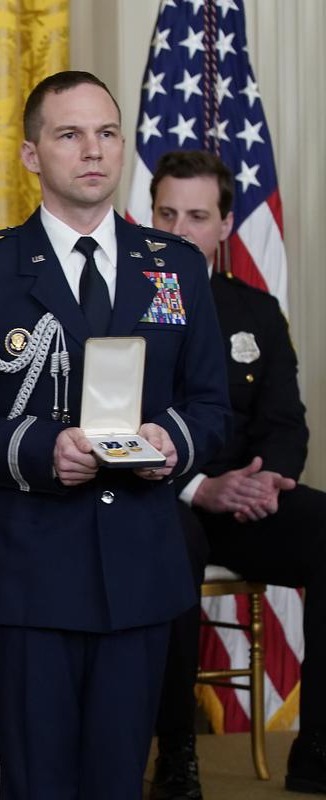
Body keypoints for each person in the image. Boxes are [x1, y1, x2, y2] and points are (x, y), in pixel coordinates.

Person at [0, 71, 231, 798]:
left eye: (107, 133)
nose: (93, 151)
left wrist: (172, 442)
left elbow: (213, 405)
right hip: (29, 566)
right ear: (32, 155)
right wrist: (40, 449)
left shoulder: (176, 267)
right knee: (38, 784)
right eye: (69, 135)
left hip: (140, 568)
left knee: (117, 781)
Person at [148, 148, 326, 797]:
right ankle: (177, 752)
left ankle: (317, 749)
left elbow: (286, 420)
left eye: (196, 216)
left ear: (225, 226)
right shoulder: (117, 304)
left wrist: (270, 479)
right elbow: (114, 427)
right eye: (166, 213)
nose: (178, 231)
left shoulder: (256, 310)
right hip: (163, 495)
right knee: (172, 543)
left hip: (246, 500)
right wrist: (200, 487)